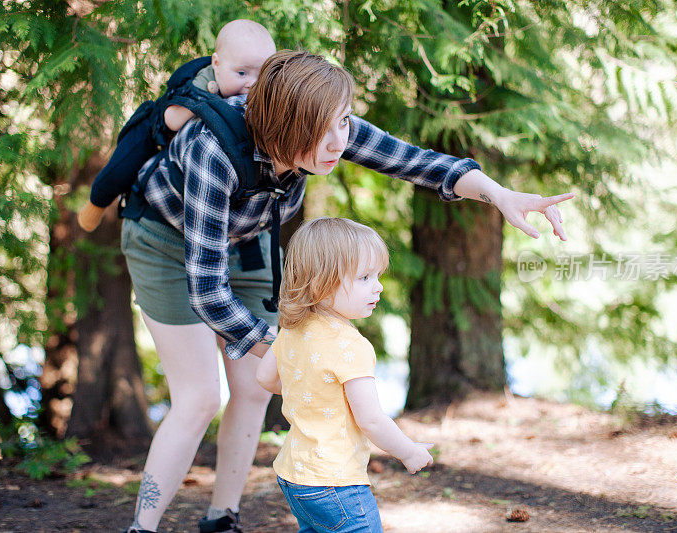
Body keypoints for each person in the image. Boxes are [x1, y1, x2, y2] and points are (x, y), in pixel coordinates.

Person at [120, 49, 573, 533]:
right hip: (166, 239)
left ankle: (221, 517)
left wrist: (500, 194)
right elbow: (208, 290)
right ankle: (142, 527)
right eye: (325, 130)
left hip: (247, 234)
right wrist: (293, 346)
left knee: (253, 386)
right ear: (286, 127)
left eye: (345, 122)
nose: (340, 141)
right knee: (199, 397)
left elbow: (420, 163)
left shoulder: (324, 127)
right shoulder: (214, 151)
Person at [255, 217, 434, 532]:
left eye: (377, 275)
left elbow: (265, 378)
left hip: (294, 475)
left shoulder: (293, 330)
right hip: (335, 482)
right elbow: (372, 420)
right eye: (364, 276)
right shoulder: (351, 345)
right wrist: (410, 451)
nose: (377, 285)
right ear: (321, 283)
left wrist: (308, 392)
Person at [77, 19, 276, 232]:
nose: (251, 84)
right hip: (154, 131)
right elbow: (170, 119)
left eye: (261, 75)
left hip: (184, 163)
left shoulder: (247, 93)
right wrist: (204, 105)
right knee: (121, 167)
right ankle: (95, 205)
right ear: (216, 64)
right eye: (242, 73)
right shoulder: (202, 84)